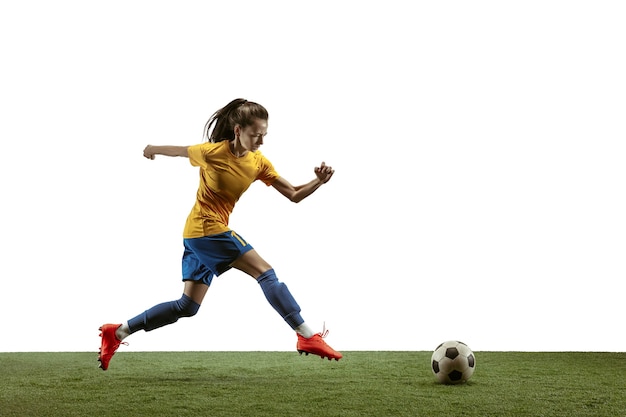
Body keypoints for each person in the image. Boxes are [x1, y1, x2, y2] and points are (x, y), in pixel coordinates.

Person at [98, 98, 342, 370]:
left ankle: (118, 332)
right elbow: (180, 151)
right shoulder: (212, 152)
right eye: (255, 134)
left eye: (264, 134)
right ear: (238, 130)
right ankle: (307, 335)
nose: (260, 140)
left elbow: (294, 194)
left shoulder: (258, 162)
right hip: (207, 230)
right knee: (265, 273)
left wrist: (318, 182)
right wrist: (151, 149)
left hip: (196, 236)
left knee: (186, 306)